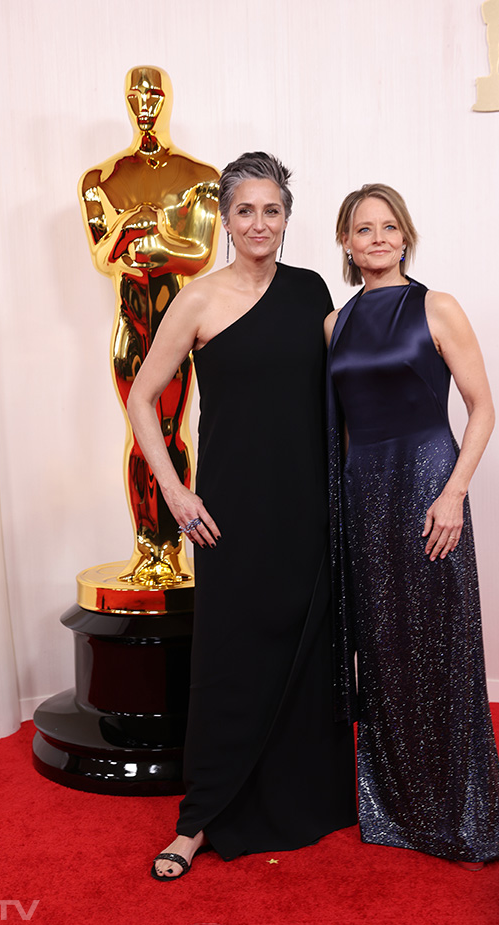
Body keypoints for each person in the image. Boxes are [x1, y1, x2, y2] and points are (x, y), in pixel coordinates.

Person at [127, 152, 357, 880]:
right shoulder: (196, 300)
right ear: (225, 220)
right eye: (246, 211)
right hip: (227, 509)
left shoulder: (311, 288)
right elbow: (142, 397)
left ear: (287, 219)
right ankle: (199, 820)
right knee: (228, 661)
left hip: (309, 502)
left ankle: (307, 800)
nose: (260, 224)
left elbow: (350, 380)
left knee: (307, 650)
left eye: (273, 211)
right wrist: (175, 489)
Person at [325, 183, 499, 868]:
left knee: (440, 645)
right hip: (364, 492)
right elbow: (339, 429)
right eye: (362, 229)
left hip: (428, 485)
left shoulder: (437, 306)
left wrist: (454, 492)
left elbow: (482, 407)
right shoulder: (336, 324)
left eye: (388, 227)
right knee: (382, 648)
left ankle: (460, 810)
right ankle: (396, 808)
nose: (377, 239)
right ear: (346, 244)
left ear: (405, 235)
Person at [78, 66, 220, 588]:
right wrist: (135, 230)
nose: (145, 100)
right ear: (124, 98)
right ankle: (147, 549)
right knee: (139, 435)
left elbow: (198, 254)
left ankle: (174, 549)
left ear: (169, 99)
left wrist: (144, 232)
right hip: (130, 320)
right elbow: (101, 254)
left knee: (169, 431)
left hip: (174, 322)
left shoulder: (199, 176)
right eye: (136, 92)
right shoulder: (100, 180)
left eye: (154, 91)